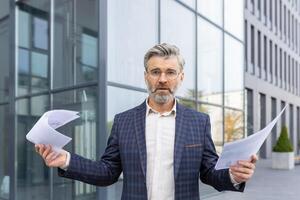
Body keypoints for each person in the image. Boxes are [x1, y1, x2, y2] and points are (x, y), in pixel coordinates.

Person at [35, 43, 257, 200]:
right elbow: (107, 172)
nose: (162, 79)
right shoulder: (124, 122)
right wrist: (66, 160)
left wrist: (232, 175)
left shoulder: (198, 122)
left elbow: (209, 173)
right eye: (155, 71)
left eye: (170, 72)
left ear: (181, 77)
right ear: (146, 76)